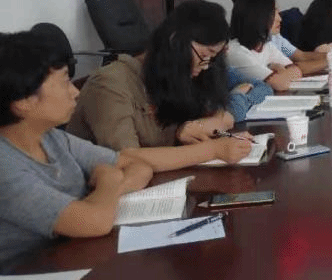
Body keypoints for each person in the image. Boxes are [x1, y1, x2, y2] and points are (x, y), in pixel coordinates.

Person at [0, 32, 248, 271]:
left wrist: (108, 191)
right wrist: (109, 180)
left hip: (78, 252)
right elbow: (95, 222)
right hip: (34, 269)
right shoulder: (6, 166)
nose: (75, 91)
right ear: (23, 102)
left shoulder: (52, 138)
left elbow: (137, 164)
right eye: (65, 81)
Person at [67, 0, 257, 157]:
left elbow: (212, 112)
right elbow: (126, 159)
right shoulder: (110, 84)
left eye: (213, 58)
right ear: (175, 41)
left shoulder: (179, 76)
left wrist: (206, 126)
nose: (206, 65)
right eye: (204, 55)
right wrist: (212, 150)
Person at [225, 0, 304, 92]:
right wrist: (277, 70)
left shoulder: (266, 45)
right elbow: (280, 84)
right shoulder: (236, 52)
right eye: (273, 13)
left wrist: (275, 70)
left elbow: (297, 71)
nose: (280, 19)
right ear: (258, 17)